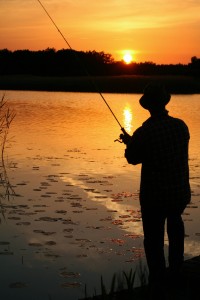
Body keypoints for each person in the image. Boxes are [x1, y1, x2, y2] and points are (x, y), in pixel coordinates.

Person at [121, 83, 191, 298]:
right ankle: (176, 270)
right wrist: (135, 142)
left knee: (153, 238)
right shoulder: (181, 126)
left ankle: (158, 280)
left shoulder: (146, 131)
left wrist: (130, 143)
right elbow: (164, 150)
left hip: (154, 195)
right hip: (178, 191)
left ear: (148, 106)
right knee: (176, 225)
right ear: (164, 103)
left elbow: (134, 158)